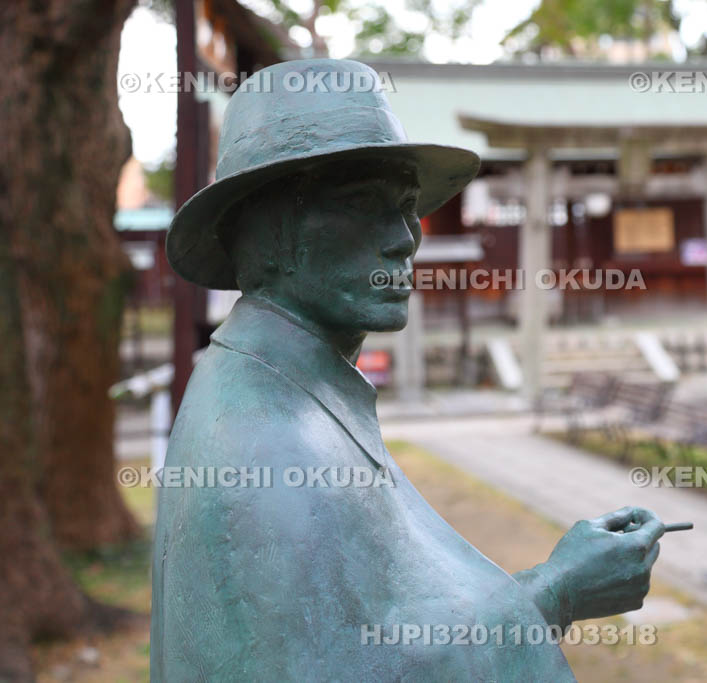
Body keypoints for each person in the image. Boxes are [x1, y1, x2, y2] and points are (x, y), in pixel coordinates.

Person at [152, 58, 664, 681]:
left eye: (407, 206)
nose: (404, 238)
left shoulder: (290, 387)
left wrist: (550, 586)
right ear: (268, 232)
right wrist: (554, 592)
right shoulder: (262, 436)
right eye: (363, 205)